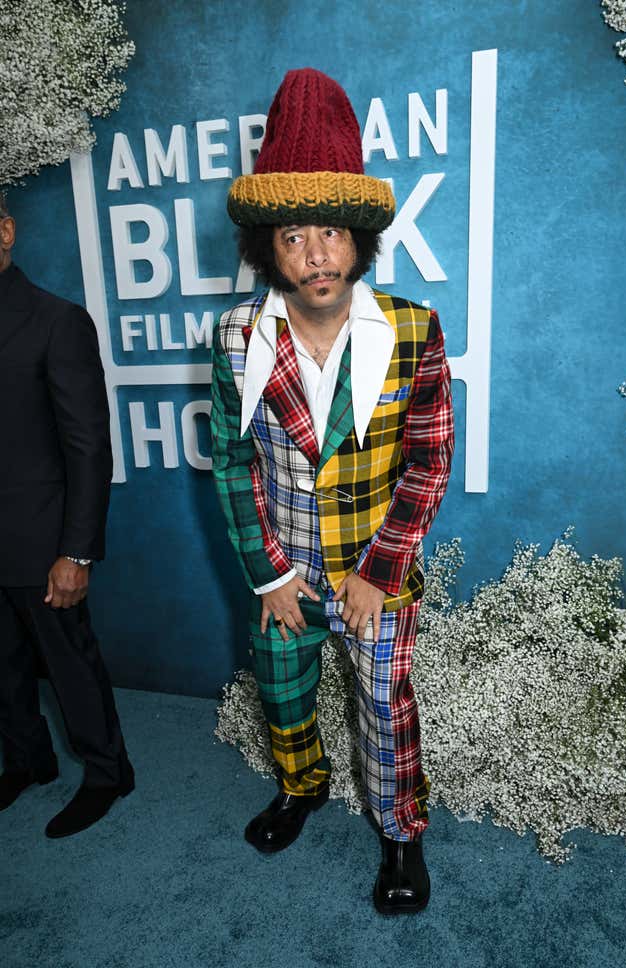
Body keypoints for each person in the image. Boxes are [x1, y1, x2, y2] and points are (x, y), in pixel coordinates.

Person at [211, 68, 454, 914]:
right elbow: (231, 460)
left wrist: (379, 572)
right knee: (281, 696)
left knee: (385, 713)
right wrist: (270, 575)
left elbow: (427, 463)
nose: (314, 256)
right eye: (291, 237)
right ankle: (302, 786)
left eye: (330, 234)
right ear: (265, 246)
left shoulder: (414, 330)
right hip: (284, 572)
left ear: (358, 238)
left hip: (372, 576)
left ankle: (399, 837)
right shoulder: (237, 335)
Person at [0, 194, 134, 838]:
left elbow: (87, 445)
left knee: (70, 664)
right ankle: (29, 761)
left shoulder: (56, 321)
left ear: (5, 231)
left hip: (40, 539)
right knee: (0, 667)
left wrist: (76, 552)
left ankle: (108, 772)